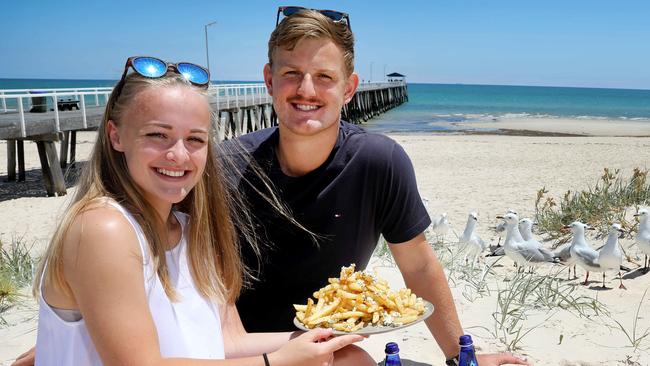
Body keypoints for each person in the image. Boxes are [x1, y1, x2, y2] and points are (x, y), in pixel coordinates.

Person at [228, 8, 530, 366]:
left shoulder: (378, 162)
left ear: (349, 89)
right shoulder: (227, 169)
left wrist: (462, 356)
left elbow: (417, 264)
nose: (306, 89)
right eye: (291, 73)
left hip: (330, 346)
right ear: (269, 80)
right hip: (237, 350)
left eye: (324, 76)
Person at [17, 56, 362, 365]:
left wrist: (320, 340)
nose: (179, 155)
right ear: (116, 135)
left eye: (195, 139)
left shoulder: (190, 228)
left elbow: (228, 341)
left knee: (349, 358)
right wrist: (275, 362)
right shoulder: (102, 227)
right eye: (158, 135)